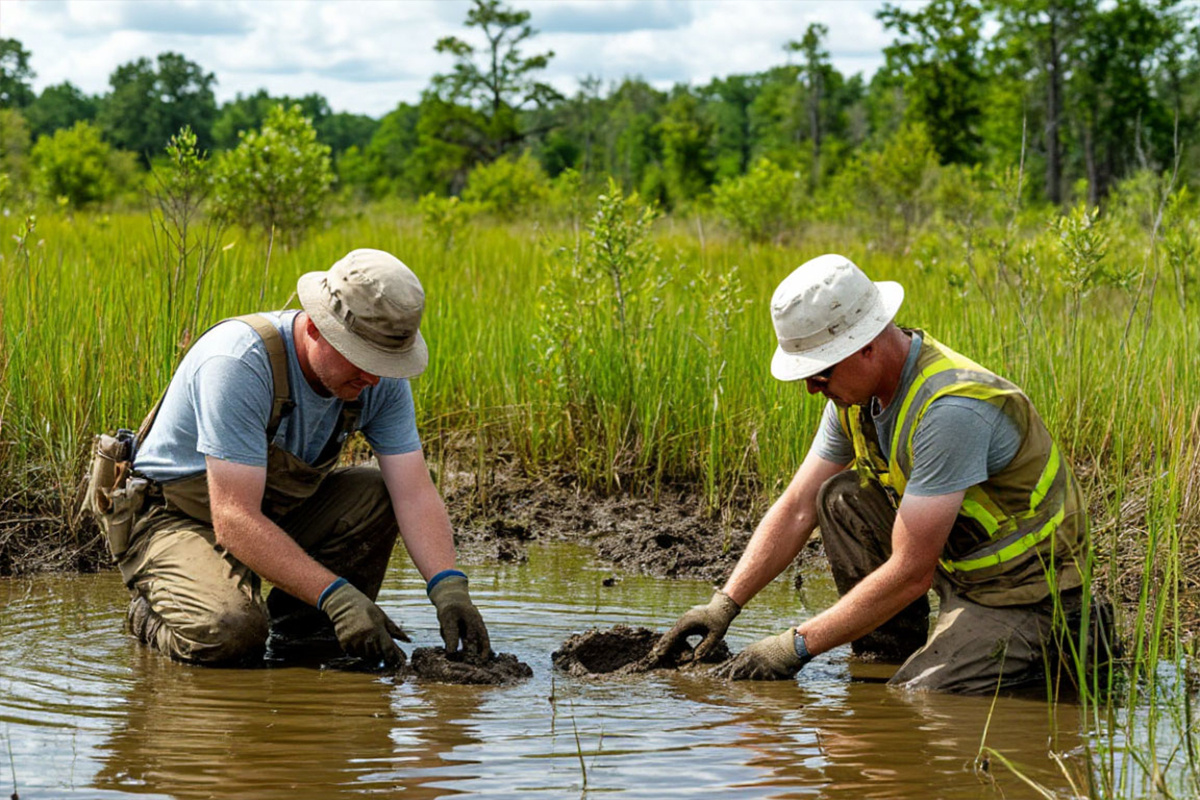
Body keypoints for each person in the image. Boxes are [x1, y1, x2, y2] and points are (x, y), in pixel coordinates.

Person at [654, 253, 1108, 693]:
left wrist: (792, 646)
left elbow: (912, 571)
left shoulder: (950, 410)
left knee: (916, 700)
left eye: (821, 372)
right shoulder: (854, 397)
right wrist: (723, 605)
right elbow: (796, 508)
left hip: (1031, 597)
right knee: (839, 497)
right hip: (962, 572)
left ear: (865, 346)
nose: (813, 388)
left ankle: (1061, 650)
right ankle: (884, 653)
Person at [116, 248, 490, 669]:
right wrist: (339, 595)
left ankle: (307, 632)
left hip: (269, 514)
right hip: (177, 519)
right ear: (315, 327)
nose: (372, 377)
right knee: (231, 634)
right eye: (361, 359)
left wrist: (448, 586)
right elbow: (233, 518)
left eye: (383, 364)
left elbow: (415, 494)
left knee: (375, 491)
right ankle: (154, 616)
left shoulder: (377, 380)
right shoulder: (239, 363)